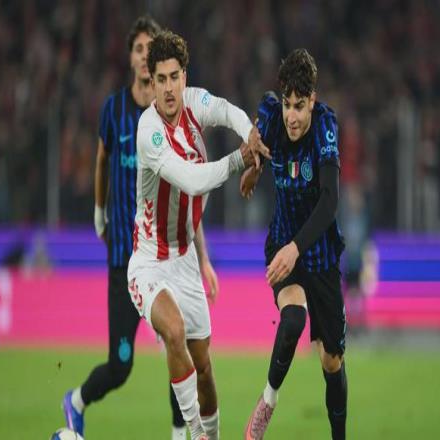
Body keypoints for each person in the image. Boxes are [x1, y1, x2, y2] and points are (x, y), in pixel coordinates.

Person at [127, 29, 269, 440]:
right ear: (152, 83)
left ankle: (213, 435)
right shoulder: (149, 130)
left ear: (184, 77)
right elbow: (191, 180)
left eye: (175, 77)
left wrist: (250, 136)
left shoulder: (193, 103)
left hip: (186, 258)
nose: (169, 88)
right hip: (149, 261)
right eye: (161, 79)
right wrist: (239, 159)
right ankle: (196, 434)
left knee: (204, 367)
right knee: (173, 331)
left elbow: (225, 110)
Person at [61, 16, 195, 440]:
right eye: (138, 49)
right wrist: (99, 210)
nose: (144, 57)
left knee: (177, 341)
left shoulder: (169, 116)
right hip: (124, 257)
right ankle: (76, 400)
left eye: (150, 50)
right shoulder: (114, 110)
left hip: (164, 257)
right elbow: (102, 160)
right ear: (132, 58)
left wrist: (202, 256)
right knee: (120, 365)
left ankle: (179, 435)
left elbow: (185, 189)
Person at [241, 49, 348, 440]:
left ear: (312, 101)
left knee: (331, 361)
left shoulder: (324, 127)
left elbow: (330, 201)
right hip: (282, 245)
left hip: (318, 254)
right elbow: (258, 128)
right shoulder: (272, 115)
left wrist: (296, 248)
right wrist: (254, 166)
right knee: (293, 319)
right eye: (288, 104)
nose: (292, 116)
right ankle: (267, 402)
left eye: (299, 106)